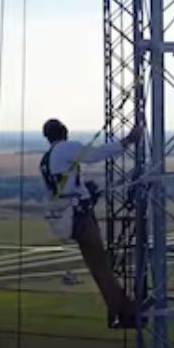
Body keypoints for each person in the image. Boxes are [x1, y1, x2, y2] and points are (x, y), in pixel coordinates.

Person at [40, 118, 141, 328]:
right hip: (80, 217)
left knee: (97, 267)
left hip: (69, 218)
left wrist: (84, 189)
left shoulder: (45, 160)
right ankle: (124, 311)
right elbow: (96, 155)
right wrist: (128, 141)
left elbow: (60, 188)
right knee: (102, 266)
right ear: (64, 133)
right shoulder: (67, 149)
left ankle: (118, 309)